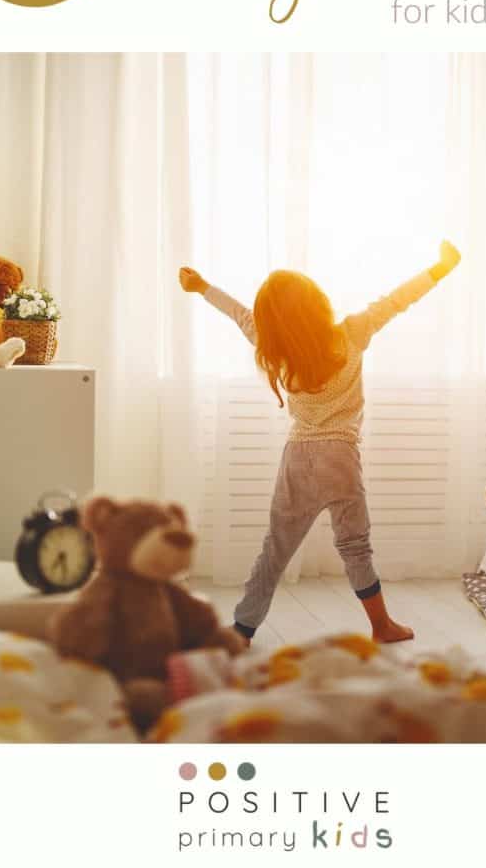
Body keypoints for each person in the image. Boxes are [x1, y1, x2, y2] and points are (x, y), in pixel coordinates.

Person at [179, 240, 461, 643]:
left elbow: (240, 315)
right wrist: (440, 268)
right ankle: (381, 626)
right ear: (317, 302)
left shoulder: (275, 347)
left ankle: (242, 630)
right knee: (354, 546)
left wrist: (203, 286)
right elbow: (398, 300)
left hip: (298, 456)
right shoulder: (351, 333)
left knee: (275, 549)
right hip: (340, 457)